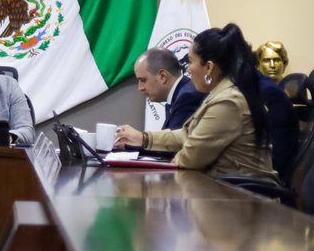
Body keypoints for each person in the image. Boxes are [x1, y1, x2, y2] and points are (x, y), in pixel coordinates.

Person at [116, 23, 277, 181]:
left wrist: (161, 158)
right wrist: (145, 139)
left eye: (191, 61)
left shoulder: (228, 102)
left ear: (209, 67)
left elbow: (189, 158)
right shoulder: (222, 94)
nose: (187, 69)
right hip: (225, 189)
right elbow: (187, 135)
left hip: (241, 194)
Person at [135, 47, 205, 130]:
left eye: (143, 80)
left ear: (162, 76)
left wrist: (140, 137)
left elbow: (175, 138)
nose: (140, 88)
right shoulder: (179, 95)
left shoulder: (187, 98)